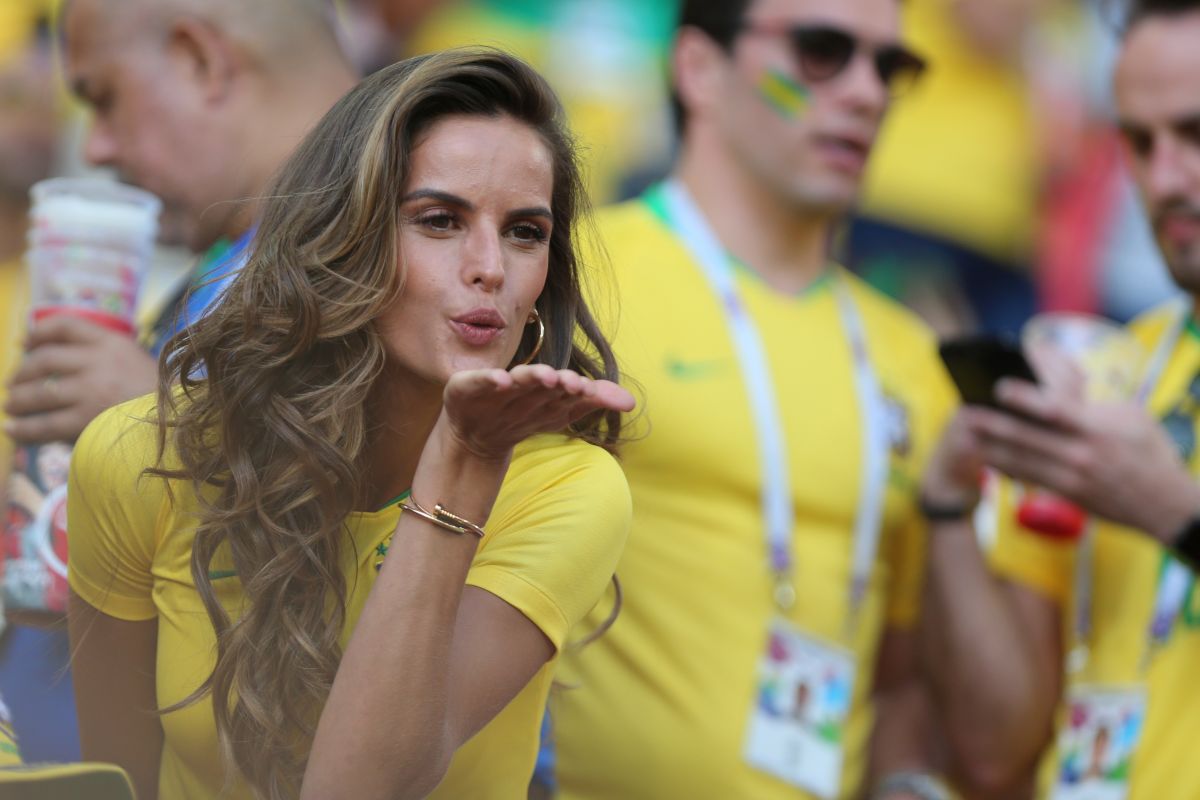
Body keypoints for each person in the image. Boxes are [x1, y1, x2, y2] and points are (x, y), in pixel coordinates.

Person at [66, 49, 634, 800]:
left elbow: (360, 785)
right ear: (342, 238)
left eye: (525, 232)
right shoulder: (144, 456)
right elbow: (118, 780)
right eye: (439, 221)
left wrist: (462, 461)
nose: (491, 267)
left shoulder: (564, 487)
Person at [551, 1, 958, 798]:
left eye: (890, 67)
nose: (866, 93)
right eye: (821, 50)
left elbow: (904, 676)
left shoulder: (914, 358)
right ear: (700, 68)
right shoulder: (579, 281)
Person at [0, 0, 359, 758]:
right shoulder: (246, 251)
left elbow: (377, 538)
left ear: (201, 61)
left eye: (104, 98)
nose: (95, 146)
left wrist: (154, 413)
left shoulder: (387, 254)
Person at [919, 0, 1200, 797]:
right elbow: (996, 750)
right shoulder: (1115, 375)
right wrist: (948, 501)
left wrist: (1178, 514)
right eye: (1139, 142)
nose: (1165, 178)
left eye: (1196, 134)